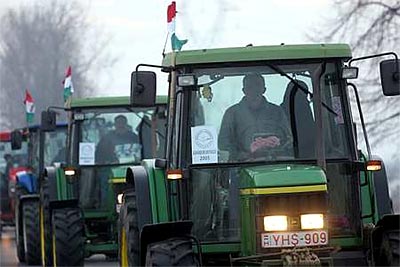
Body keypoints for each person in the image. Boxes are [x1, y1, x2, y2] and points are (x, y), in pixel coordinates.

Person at [218, 73, 293, 161]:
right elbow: (223, 143)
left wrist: (275, 145)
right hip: (241, 166)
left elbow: (288, 139)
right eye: (250, 87)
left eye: (257, 86)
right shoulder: (232, 113)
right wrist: (240, 154)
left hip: (274, 163)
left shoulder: (277, 112)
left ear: (264, 89)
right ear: (244, 90)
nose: (254, 90)